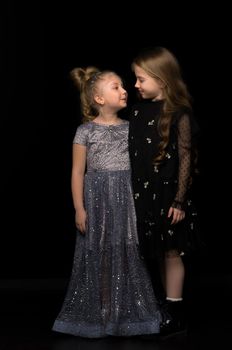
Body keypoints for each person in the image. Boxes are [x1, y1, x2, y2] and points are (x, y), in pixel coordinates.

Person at [52, 66, 161, 338]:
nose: (125, 91)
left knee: (127, 250)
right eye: (116, 87)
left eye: (124, 86)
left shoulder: (131, 127)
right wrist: (79, 207)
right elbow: (78, 172)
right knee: (99, 253)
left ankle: (125, 311)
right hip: (97, 199)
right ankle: (102, 312)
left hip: (126, 198)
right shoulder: (85, 131)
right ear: (99, 99)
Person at [128, 47, 201, 338]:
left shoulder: (180, 114)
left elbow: (186, 157)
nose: (135, 85)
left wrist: (180, 199)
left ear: (163, 79)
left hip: (168, 195)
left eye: (141, 79)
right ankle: (162, 307)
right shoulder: (135, 110)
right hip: (142, 194)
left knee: (171, 251)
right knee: (156, 252)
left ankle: (176, 312)